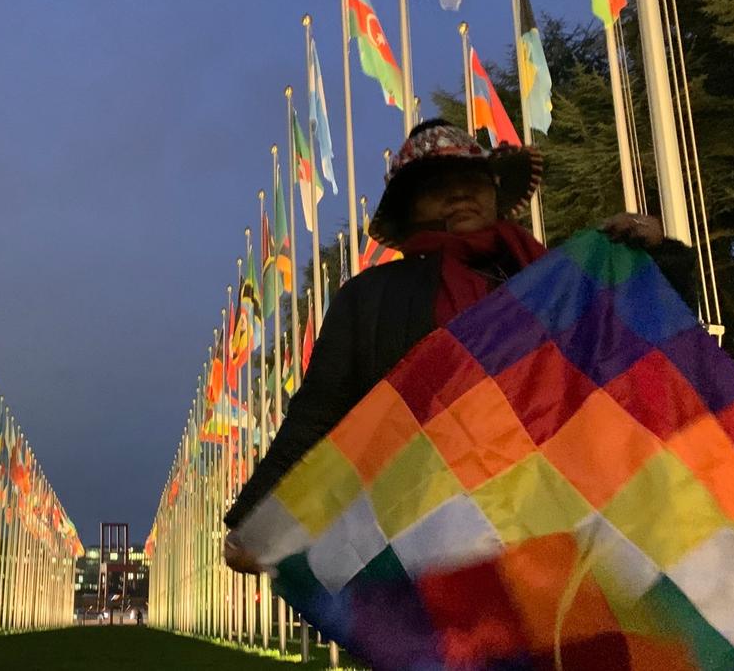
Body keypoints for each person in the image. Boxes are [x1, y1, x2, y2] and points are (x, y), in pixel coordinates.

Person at [223, 120, 695, 573]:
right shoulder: (370, 298)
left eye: (473, 178)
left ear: (493, 191)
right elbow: (318, 416)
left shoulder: (559, 279)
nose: (459, 192)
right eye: (435, 186)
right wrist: (258, 519)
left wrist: (652, 255)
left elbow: (644, 343)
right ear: (410, 210)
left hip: (562, 516)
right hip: (430, 532)